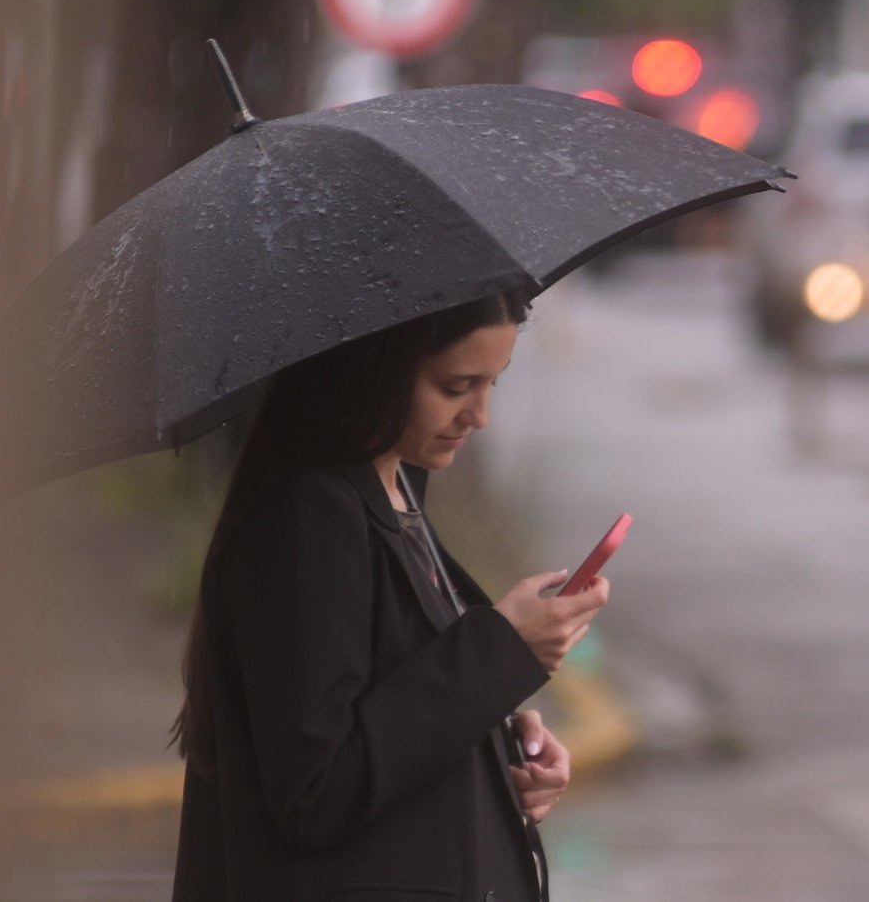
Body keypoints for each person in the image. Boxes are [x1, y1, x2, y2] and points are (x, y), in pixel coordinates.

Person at [168, 287, 609, 901]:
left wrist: (500, 742)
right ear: (376, 370)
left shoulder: (394, 489)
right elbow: (315, 790)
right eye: (455, 387)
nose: (478, 415)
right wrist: (501, 651)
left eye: (492, 384)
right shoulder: (309, 517)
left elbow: (393, 698)